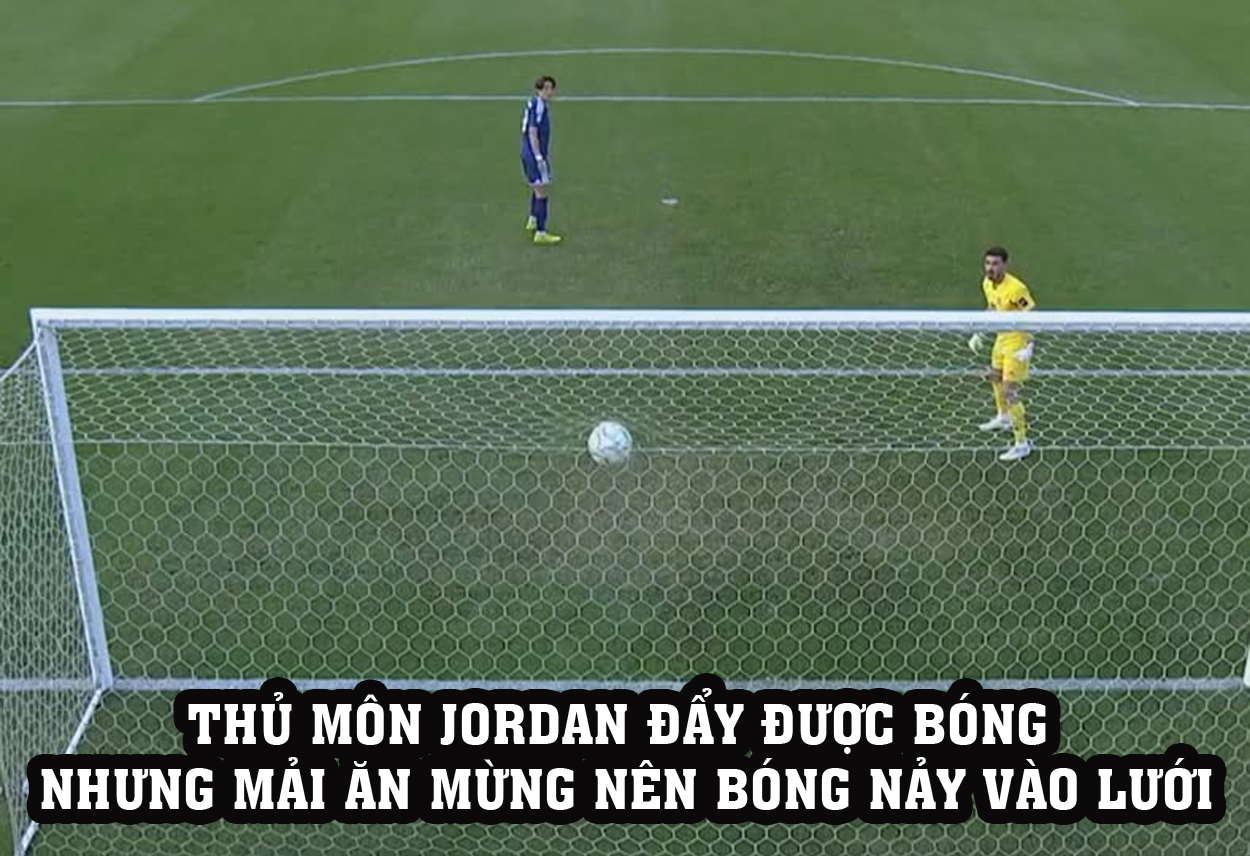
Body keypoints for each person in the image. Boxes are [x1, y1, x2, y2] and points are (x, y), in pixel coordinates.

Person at [969, 246, 1036, 461]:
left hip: (1017, 341)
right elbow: (992, 308)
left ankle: (1022, 443)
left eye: (996, 264)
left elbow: (1031, 315)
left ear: (1005, 265)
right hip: (1001, 338)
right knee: (995, 377)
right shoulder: (987, 283)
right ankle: (1004, 416)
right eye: (988, 263)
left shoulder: (1017, 288)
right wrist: (979, 332)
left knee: (1009, 391)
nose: (991, 268)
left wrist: (1029, 344)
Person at [521, 76, 561, 245]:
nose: (550, 92)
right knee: (542, 191)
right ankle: (541, 232)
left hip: (526, 153)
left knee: (536, 186)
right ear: (539, 90)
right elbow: (532, 131)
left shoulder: (534, 103)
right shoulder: (539, 106)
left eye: (551, 88)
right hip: (534, 155)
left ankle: (533, 219)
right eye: (546, 88)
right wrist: (538, 156)